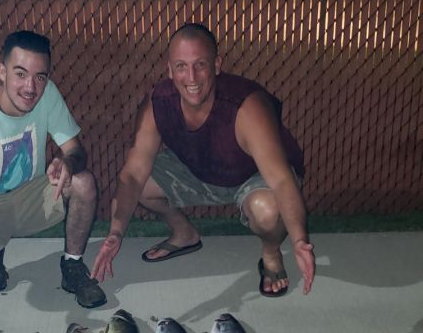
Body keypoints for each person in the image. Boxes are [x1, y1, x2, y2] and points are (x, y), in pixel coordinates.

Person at [92, 23, 315, 296]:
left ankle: (271, 253)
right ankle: (184, 233)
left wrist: (299, 240)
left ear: (216, 65)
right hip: (201, 171)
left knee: (267, 211)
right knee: (141, 186)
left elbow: (280, 180)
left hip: (254, 177)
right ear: (169, 70)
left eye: (200, 64)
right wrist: (115, 234)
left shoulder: (246, 106)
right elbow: (133, 174)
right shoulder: (158, 102)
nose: (191, 77)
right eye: (181, 66)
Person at [0, 29, 106, 307]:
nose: (31, 87)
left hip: (32, 196)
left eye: (40, 77)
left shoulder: (47, 94)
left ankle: (72, 267)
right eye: (20, 74)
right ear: (2, 72)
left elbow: (76, 151)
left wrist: (68, 163)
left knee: (83, 182)